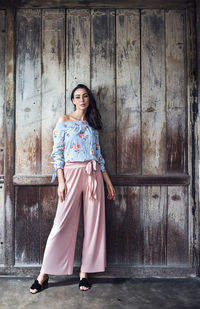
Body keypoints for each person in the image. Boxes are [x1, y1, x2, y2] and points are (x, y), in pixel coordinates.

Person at [30, 84, 116, 293]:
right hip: (71, 174)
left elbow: (98, 154)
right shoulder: (64, 121)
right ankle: (44, 274)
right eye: (77, 96)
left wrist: (108, 182)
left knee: (94, 225)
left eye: (85, 96)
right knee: (61, 223)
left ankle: (84, 273)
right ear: (72, 100)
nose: (82, 100)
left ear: (89, 99)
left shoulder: (93, 124)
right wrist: (61, 180)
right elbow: (57, 153)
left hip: (93, 174)